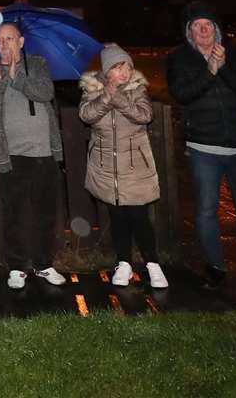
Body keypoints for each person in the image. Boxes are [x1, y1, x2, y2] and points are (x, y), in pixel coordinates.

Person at [166, 3, 236, 288]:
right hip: (204, 147)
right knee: (207, 210)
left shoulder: (235, 55)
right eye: (196, 25)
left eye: (208, 24)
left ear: (217, 29)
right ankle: (215, 267)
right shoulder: (179, 59)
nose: (203, 29)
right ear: (189, 32)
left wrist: (223, 69)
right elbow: (182, 94)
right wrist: (210, 71)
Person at [0, 20, 67, 290]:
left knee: (45, 213)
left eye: (10, 38)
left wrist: (17, 77)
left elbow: (45, 92)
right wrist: (1, 80)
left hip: (43, 153)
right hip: (11, 155)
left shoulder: (36, 63)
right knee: (13, 214)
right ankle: (16, 267)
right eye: (0, 40)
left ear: (21, 41)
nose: (4, 44)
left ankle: (43, 263)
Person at [79, 44, 167, 289]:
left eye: (127, 66)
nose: (125, 73)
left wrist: (118, 97)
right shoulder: (91, 90)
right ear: (107, 71)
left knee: (139, 217)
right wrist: (106, 96)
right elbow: (87, 115)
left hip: (134, 167)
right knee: (117, 217)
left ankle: (153, 264)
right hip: (106, 167)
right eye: (118, 68)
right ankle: (124, 263)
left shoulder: (137, 89)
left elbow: (144, 115)